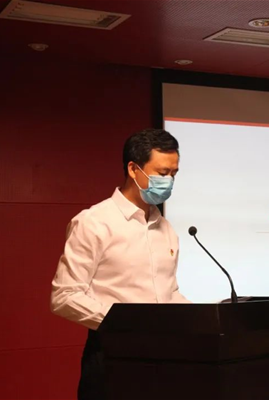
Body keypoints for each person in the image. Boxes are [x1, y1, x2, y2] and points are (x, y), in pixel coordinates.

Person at [50, 128, 190, 400]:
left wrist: (198, 319)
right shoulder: (94, 222)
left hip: (165, 357)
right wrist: (126, 324)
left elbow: (168, 292)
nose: (169, 182)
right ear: (133, 169)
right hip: (112, 355)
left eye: (174, 174)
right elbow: (64, 296)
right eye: (162, 173)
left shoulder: (166, 228)